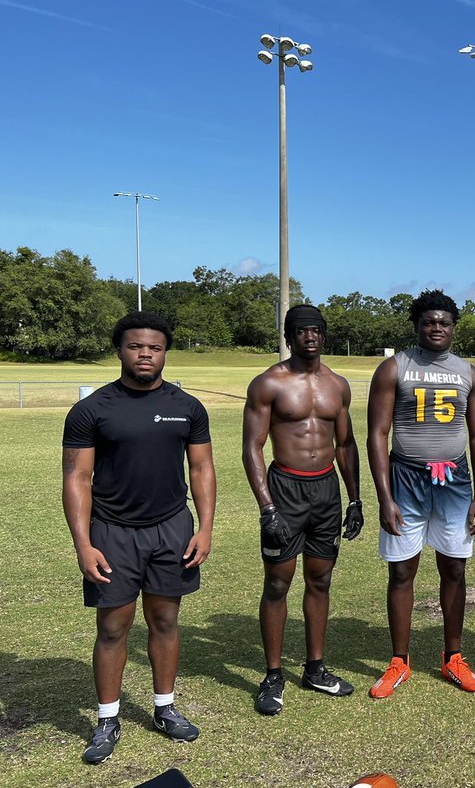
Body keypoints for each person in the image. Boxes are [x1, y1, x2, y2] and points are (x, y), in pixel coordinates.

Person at [62, 312, 216, 764]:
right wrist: (82, 542)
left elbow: (202, 468)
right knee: (113, 627)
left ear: (165, 351)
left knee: (166, 621)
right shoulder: (93, 409)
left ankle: (164, 708)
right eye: (135, 346)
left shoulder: (187, 406)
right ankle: (107, 718)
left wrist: (205, 527)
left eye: (154, 347)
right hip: (111, 531)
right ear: (120, 351)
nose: (145, 353)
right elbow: (77, 476)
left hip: (171, 527)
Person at [366, 290, 475, 696]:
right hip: (406, 477)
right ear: (417, 326)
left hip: (454, 480)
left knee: (454, 567)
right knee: (402, 569)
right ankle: (399, 661)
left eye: (444, 322)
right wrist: (384, 497)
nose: (436, 328)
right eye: (428, 322)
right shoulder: (393, 368)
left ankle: (453, 657)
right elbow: (378, 434)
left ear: (454, 328)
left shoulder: (468, 372)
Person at [242, 304, 363, 716]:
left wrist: (356, 499)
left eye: (316, 331)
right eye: (301, 331)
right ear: (289, 336)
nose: (309, 337)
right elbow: (252, 447)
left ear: (323, 336)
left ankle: (315, 667)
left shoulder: (338, 385)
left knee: (320, 579)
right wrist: (267, 508)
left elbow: (345, 444)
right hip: (286, 489)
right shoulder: (268, 384)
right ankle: (273, 674)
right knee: (278, 582)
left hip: (326, 491)